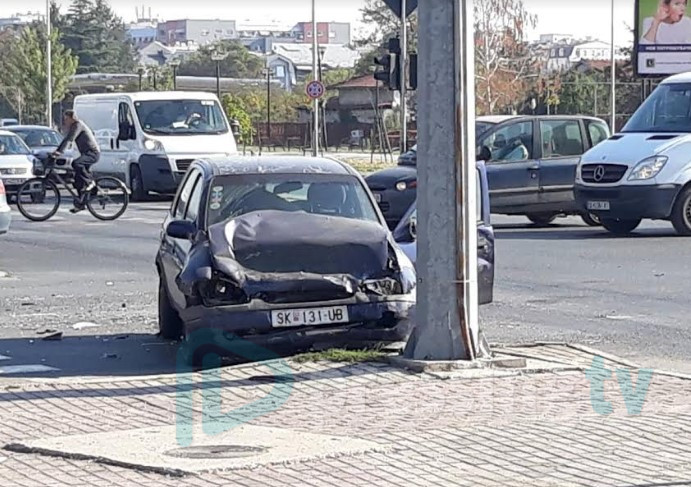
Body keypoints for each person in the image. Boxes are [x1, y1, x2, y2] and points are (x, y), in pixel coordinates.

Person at [53, 110, 100, 213]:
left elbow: (70, 139)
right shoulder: (74, 126)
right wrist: (57, 151)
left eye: (66, 119)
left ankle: (90, 183)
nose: (65, 122)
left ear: (72, 118)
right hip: (86, 153)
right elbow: (66, 139)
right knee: (78, 180)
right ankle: (81, 203)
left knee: (76, 163)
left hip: (93, 153)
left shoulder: (78, 125)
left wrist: (59, 152)